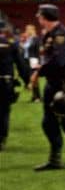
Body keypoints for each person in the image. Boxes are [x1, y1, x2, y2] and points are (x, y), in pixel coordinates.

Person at [29, 4, 65, 170]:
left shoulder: (61, 35)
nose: (38, 19)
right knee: (48, 123)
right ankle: (55, 160)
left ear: (45, 17)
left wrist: (38, 72)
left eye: (40, 16)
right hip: (52, 84)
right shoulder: (49, 35)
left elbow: (58, 62)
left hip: (64, 85)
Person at [0, 22, 28, 151]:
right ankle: (1, 140)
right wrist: (27, 81)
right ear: (4, 30)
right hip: (5, 82)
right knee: (4, 112)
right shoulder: (11, 45)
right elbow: (21, 65)